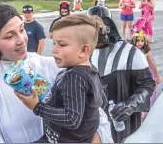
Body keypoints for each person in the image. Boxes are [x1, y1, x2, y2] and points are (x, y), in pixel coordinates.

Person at [0, 3, 113, 143]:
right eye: (9, 36)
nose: (21, 40)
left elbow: (96, 115)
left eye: (22, 29)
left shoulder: (54, 66)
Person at [16, 14, 103, 143]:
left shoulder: (74, 77)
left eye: (62, 45)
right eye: (54, 43)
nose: (54, 50)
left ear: (84, 50)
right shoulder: (91, 72)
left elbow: (71, 119)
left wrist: (37, 106)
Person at [87, 6, 155, 143]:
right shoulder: (85, 53)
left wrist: (130, 105)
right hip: (93, 125)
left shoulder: (131, 52)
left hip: (123, 125)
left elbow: (147, 84)